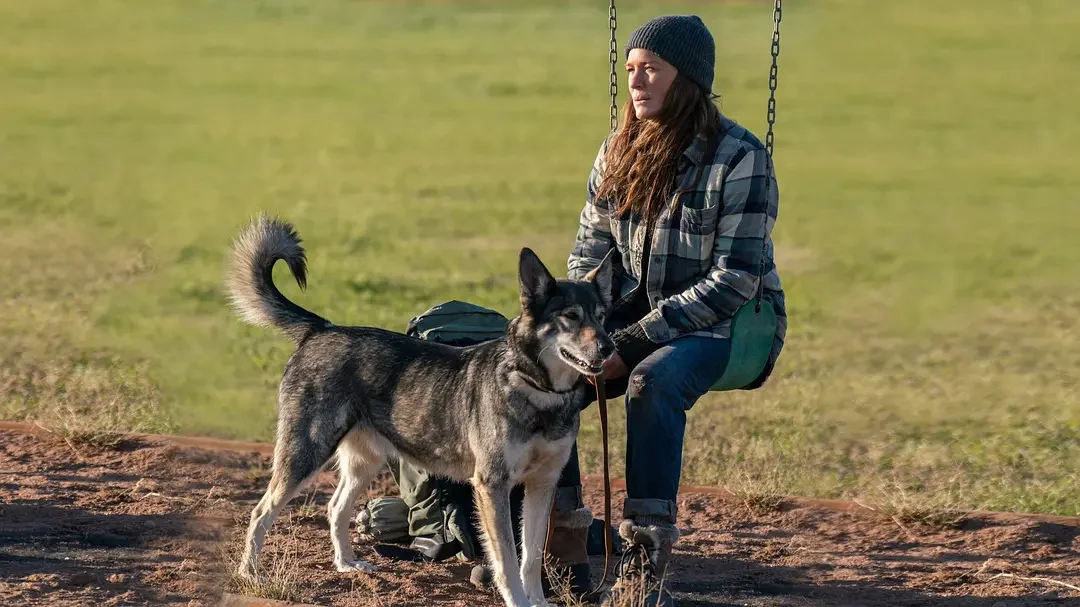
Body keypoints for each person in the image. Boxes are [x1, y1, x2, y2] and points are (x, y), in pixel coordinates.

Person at [554, 14, 789, 605]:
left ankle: (642, 569)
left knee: (649, 382)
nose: (637, 83)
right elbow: (590, 254)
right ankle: (563, 548)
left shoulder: (741, 157)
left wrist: (629, 345)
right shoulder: (618, 151)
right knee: (548, 378)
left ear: (687, 80)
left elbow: (735, 280)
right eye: (631, 70)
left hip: (730, 326)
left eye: (652, 70)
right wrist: (580, 335)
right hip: (641, 314)